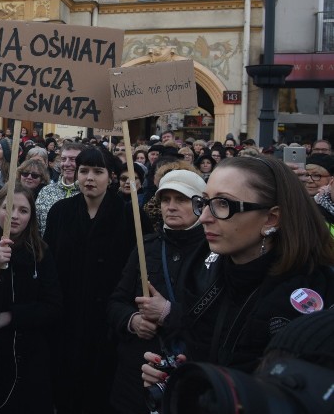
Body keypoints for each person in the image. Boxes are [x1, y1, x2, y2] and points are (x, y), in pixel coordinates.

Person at [141, 157, 334, 388]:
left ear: (271, 218)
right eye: (204, 202)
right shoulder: (202, 272)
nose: (203, 217)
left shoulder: (311, 299)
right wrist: (182, 376)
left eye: (223, 204)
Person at [43, 146, 153, 414]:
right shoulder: (60, 211)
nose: (89, 178)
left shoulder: (131, 217)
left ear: (112, 177)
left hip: (109, 323)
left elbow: (142, 269)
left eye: (97, 171)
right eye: (84, 171)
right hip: (66, 318)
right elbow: (48, 263)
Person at [107, 170, 207, 414]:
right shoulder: (146, 247)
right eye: (165, 200)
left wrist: (168, 313)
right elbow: (116, 302)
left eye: (180, 199)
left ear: (199, 204)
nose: (171, 207)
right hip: (137, 375)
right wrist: (133, 320)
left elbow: (218, 322)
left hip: (191, 373)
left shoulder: (215, 251)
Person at [0, 184, 63, 411]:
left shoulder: (40, 252)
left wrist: (12, 316)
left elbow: (53, 306)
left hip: (32, 360)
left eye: (23, 210)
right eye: (9, 208)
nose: (15, 216)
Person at [35, 142, 86, 235]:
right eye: (63, 159)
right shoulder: (46, 191)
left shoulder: (89, 194)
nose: (66, 164)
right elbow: (36, 229)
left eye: (73, 159)